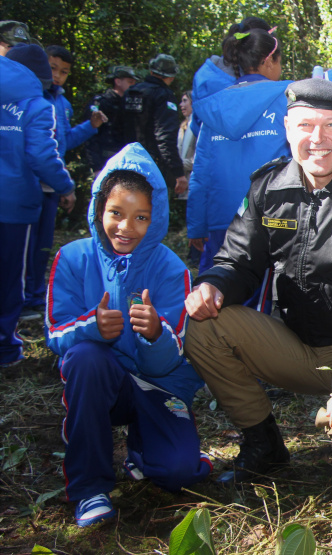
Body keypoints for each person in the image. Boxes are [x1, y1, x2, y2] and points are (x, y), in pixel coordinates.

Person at [183, 79, 332, 483]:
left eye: (331, 125)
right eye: (306, 125)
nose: (317, 138)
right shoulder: (269, 186)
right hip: (294, 345)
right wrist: (215, 285)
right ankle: (264, 442)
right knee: (206, 328)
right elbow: (238, 260)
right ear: (287, 129)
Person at [46, 143, 212, 527]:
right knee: (85, 358)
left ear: (155, 220)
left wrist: (155, 333)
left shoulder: (171, 269)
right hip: (102, 382)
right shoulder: (72, 258)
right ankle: (91, 489)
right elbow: (55, 333)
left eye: (140, 217)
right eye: (116, 213)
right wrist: (92, 327)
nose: (126, 227)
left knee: (179, 473)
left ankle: (145, 451)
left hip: (158, 385)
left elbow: (170, 361)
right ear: (99, 209)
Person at [186, 27, 290, 274]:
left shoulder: (214, 106)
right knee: (267, 302)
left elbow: (201, 172)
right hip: (272, 217)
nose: (281, 68)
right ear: (268, 61)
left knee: (221, 296)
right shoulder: (287, 96)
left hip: (221, 219)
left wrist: (197, 226)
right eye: (280, 61)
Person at [19, 45, 109, 321]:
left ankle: (34, 299)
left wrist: (90, 127)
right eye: (52, 68)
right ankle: (18, 299)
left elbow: (65, 141)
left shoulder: (63, 104)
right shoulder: (26, 98)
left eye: (64, 72)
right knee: (22, 245)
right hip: (29, 183)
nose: (57, 76)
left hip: (52, 186)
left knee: (42, 244)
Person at [0, 46, 75, 367]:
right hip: (15, 204)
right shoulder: (36, 104)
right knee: (11, 274)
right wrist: (66, 187)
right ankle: (4, 347)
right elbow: (42, 155)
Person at [123, 54, 187, 195]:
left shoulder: (131, 93)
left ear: (151, 72)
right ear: (171, 77)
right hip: (151, 166)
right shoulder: (163, 95)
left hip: (124, 162)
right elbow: (165, 137)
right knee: (151, 212)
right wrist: (178, 172)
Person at [84, 66, 139, 173]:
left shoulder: (130, 105)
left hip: (126, 163)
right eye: (130, 82)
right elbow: (90, 137)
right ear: (118, 81)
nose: (133, 85)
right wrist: (96, 167)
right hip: (104, 162)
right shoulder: (101, 102)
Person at [177, 91, 195, 200]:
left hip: (193, 183)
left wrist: (176, 164)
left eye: (185, 101)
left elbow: (199, 160)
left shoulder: (198, 127)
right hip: (183, 182)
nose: (181, 105)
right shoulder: (183, 126)